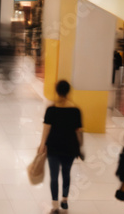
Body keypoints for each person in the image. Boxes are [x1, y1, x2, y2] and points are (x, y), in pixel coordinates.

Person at [38, 80, 83, 213]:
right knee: (66, 173)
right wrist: (79, 147)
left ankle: (55, 204)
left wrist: (42, 145)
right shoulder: (75, 110)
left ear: (57, 91)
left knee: (54, 176)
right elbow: (79, 132)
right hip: (70, 147)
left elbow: (46, 129)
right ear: (68, 91)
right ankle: (64, 200)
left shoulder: (51, 109)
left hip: (53, 147)